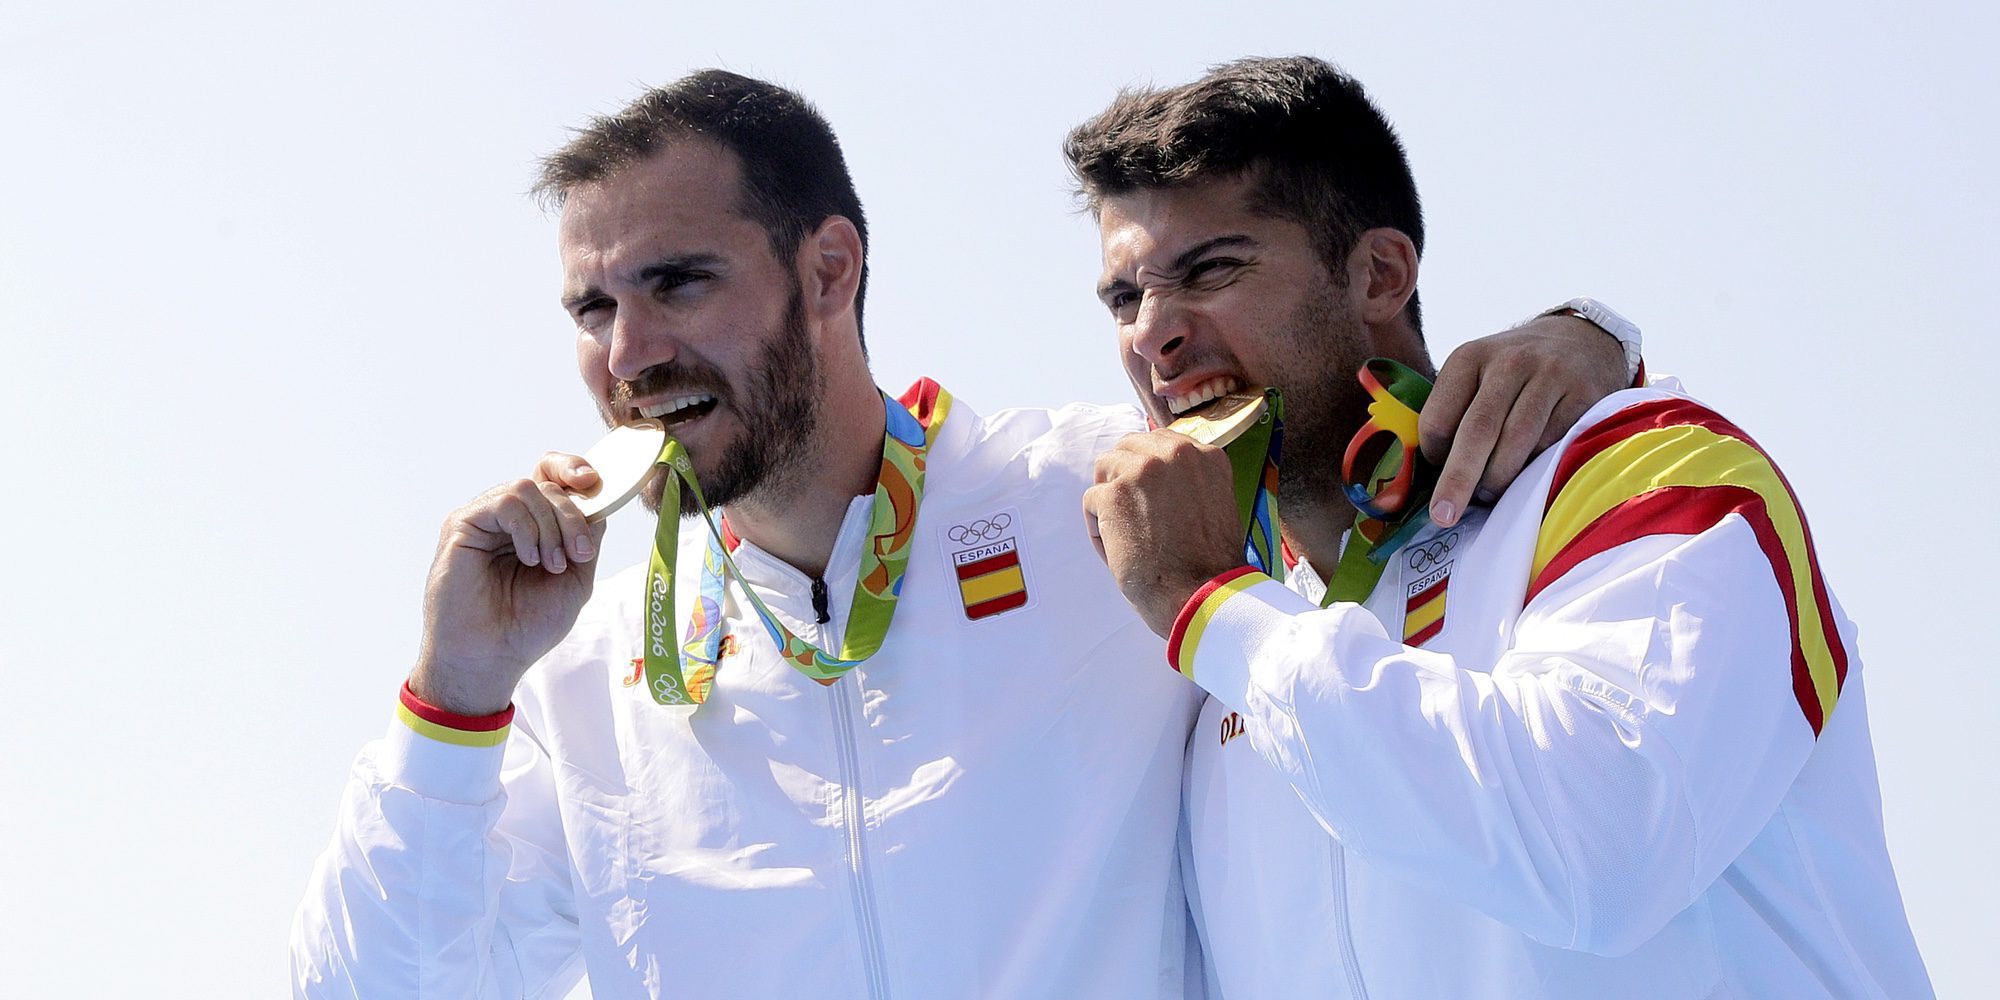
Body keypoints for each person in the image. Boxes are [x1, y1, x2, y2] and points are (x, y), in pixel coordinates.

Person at [291, 69, 1633, 998]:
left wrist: (1588, 339)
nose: (629, 354)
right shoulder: (581, 670)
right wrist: (447, 705)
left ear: (829, 270)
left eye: (678, 284)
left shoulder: (1105, 509)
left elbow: (1330, 404)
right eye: (592, 312)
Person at [1075, 55, 1933, 998]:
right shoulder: (1221, 633)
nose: (1153, 334)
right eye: (1126, 297)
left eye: (1213, 268)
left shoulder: (1641, 469)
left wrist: (1211, 606)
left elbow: (1595, 855)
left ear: (1379, 274)